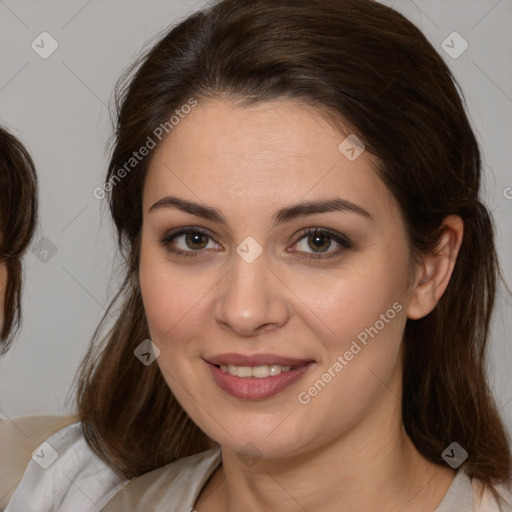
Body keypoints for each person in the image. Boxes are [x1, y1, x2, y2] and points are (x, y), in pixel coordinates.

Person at [5, 0, 512, 510]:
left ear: (430, 268)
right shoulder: (53, 491)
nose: (245, 311)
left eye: (318, 241)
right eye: (195, 239)